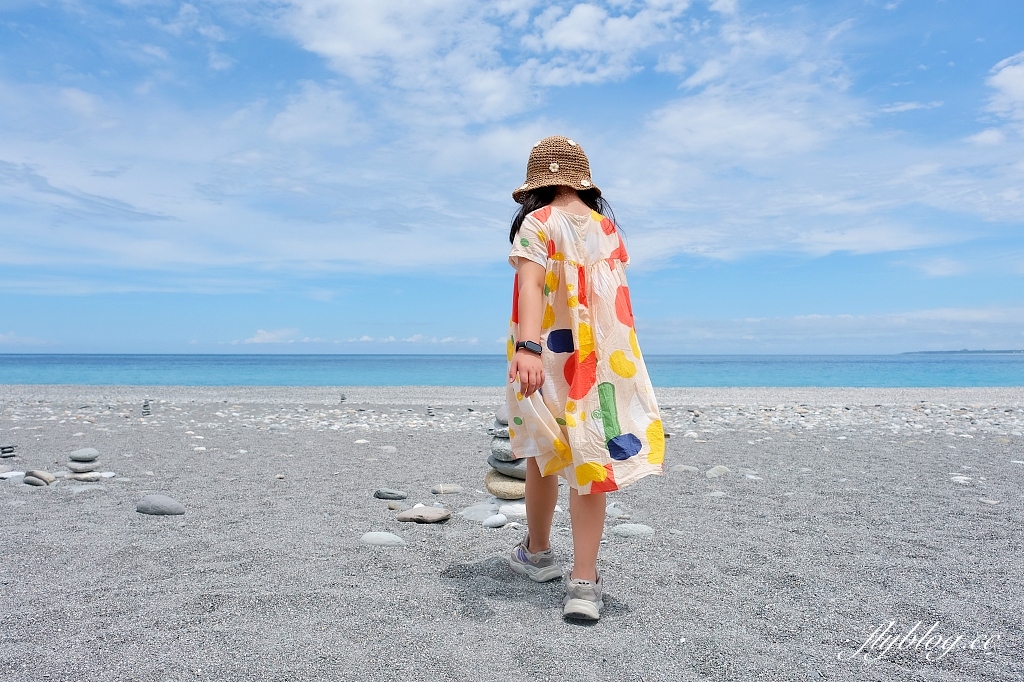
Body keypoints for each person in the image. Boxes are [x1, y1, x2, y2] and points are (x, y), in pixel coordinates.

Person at [504, 135, 665, 621]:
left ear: (537, 186)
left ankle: (537, 553)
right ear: (584, 184)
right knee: (590, 462)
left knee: (542, 450)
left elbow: (532, 283)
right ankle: (583, 584)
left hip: (549, 355)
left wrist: (529, 347)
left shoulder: (538, 221)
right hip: (605, 362)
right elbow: (616, 303)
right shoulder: (608, 229)